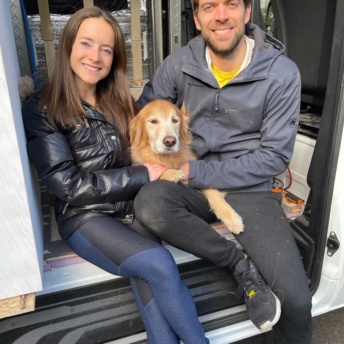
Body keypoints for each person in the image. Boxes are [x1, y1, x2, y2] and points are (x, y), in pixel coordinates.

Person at [22, 7, 209, 344]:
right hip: (85, 217)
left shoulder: (121, 102)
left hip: (129, 208)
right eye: (87, 44)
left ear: (114, 58)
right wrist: (143, 175)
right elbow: (69, 185)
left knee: (151, 277)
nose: (96, 56)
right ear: (68, 47)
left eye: (106, 49)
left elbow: (156, 136)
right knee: (159, 264)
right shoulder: (43, 108)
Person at [134, 0, 313, 343]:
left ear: (247, 13)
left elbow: (273, 157)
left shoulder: (281, 73)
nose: (220, 15)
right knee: (151, 204)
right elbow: (146, 114)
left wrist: (193, 172)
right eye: (208, 6)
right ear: (198, 19)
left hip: (247, 187)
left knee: (296, 301)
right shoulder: (180, 64)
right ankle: (239, 265)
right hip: (192, 181)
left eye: (230, 3)